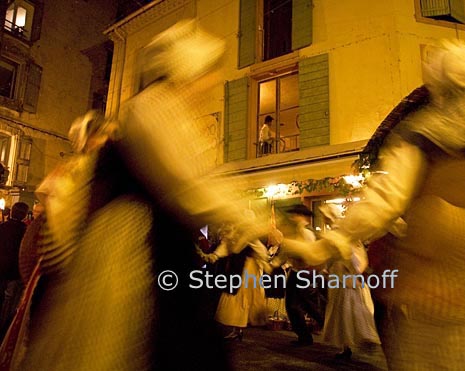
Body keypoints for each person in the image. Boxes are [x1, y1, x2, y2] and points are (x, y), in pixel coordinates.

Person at [5, 19, 268, 371]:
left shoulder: (176, 117)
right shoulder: (153, 106)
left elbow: (199, 188)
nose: (211, 82)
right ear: (185, 71)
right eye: (207, 73)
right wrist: (250, 222)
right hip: (132, 256)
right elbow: (190, 186)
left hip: (162, 253)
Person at [279, 39, 465, 370]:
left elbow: (383, 200)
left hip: (444, 279)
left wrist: (330, 242)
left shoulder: (420, 133)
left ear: (435, 84)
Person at [318, 203, 380, 360]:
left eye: (325, 216)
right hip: (339, 275)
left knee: (348, 309)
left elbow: (349, 253)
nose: (323, 219)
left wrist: (355, 271)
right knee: (344, 310)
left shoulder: (340, 232)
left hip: (344, 276)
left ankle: (362, 338)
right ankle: (347, 345)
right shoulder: (336, 231)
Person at [198, 219, 267, 341]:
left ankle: (238, 329)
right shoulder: (234, 236)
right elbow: (225, 248)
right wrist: (215, 255)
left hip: (247, 269)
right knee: (235, 297)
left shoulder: (248, 237)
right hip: (237, 268)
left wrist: (263, 260)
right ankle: (237, 330)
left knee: (241, 298)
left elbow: (261, 251)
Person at [272, 204, 326, 346]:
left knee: (310, 305)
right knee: (292, 305)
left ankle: (328, 329)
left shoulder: (307, 233)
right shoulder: (296, 231)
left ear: (302, 216)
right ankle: (304, 336)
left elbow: (309, 253)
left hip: (305, 273)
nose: (292, 217)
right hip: (296, 272)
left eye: (295, 214)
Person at [0, 202, 29, 338]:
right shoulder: (25, 231)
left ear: (11, 211)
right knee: (9, 300)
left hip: (1, 268)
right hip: (14, 272)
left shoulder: (2, 227)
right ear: (24, 215)